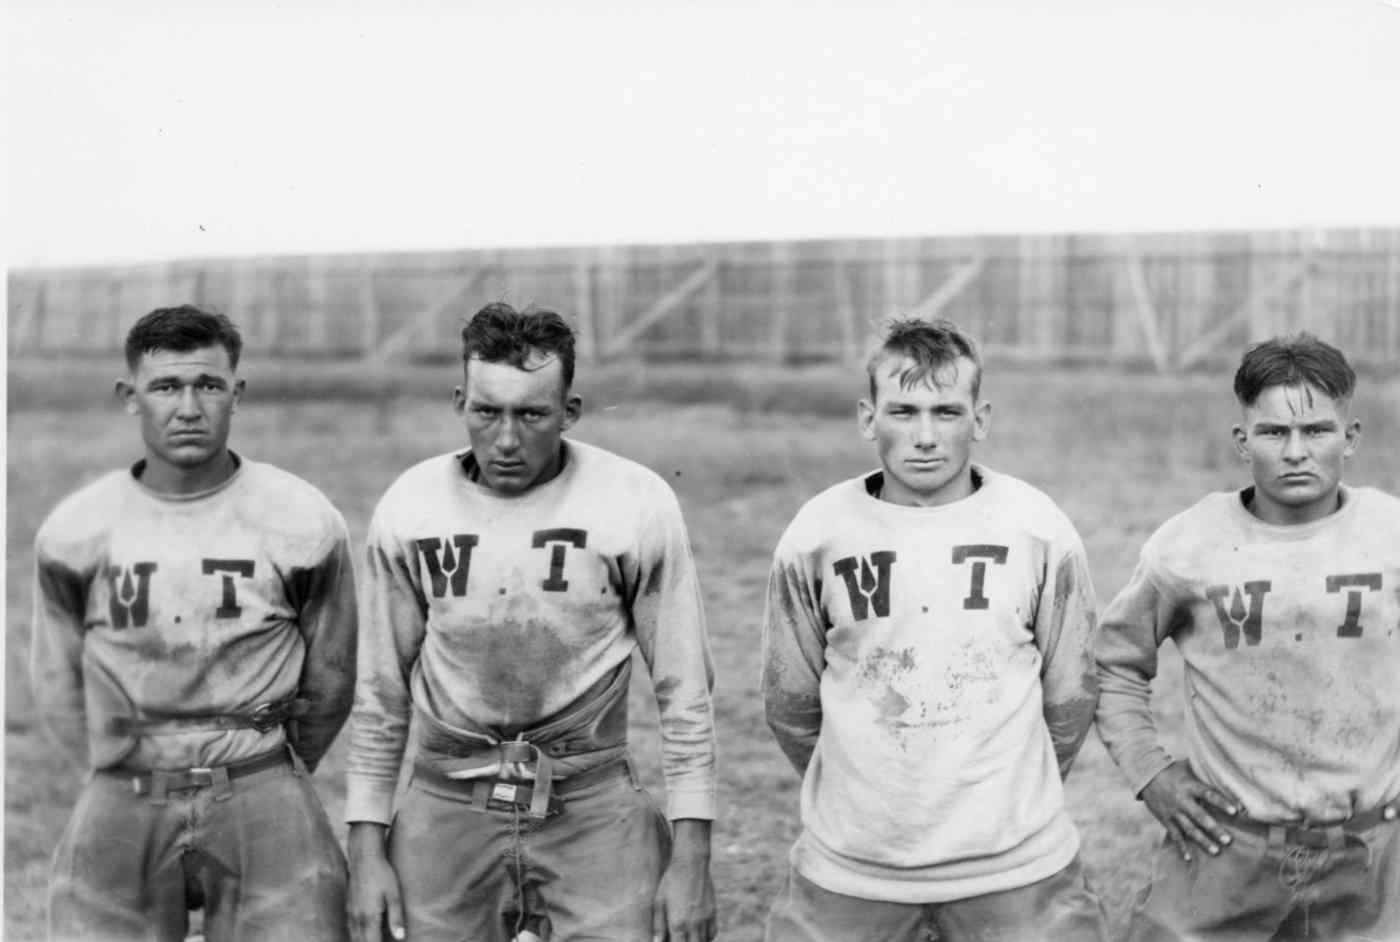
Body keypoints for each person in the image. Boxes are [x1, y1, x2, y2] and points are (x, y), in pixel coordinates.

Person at [345, 302, 718, 942]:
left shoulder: (634, 500)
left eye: (532, 414)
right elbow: (379, 692)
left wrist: (692, 862)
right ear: (461, 401)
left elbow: (685, 693)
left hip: (590, 799)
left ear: (569, 412)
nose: (508, 439)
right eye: (487, 412)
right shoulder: (413, 505)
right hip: (449, 798)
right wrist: (365, 853)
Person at [760, 317, 1108, 942]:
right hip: (853, 871)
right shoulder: (818, 532)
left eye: (946, 412)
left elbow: (1073, 692)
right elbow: (789, 705)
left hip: (1016, 868)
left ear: (981, 420)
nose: (925, 437)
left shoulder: (1035, 526)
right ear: (869, 419)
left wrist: (1000, 797)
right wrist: (869, 791)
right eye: (903, 412)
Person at [30, 305, 357, 942]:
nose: (188, 407)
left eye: (208, 385)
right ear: (131, 397)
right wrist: (115, 767)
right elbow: (56, 679)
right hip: (127, 782)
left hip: (258, 773)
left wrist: (269, 767)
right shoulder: (78, 529)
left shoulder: (300, 518)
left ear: (237, 391)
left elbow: (332, 672)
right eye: (165, 387)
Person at [1096, 333, 1400, 940]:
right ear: (1243, 441)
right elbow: (1115, 665)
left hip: (1369, 850)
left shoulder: (1390, 533)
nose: (1295, 451)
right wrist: (1150, 773)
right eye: (1272, 433)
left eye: (1316, 431)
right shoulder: (1190, 545)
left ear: (1351, 438)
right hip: (1229, 845)